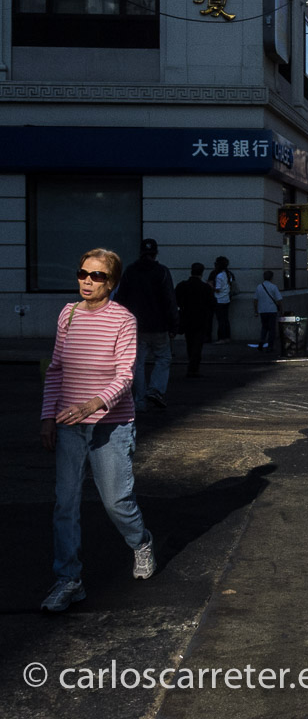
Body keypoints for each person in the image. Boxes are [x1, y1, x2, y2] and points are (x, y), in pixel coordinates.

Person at [40, 249, 155, 613]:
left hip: (111, 424)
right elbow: (56, 369)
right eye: (83, 274)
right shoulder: (68, 314)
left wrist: (91, 406)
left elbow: (125, 376)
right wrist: (48, 416)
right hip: (69, 426)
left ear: (113, 281)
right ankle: (68, 580)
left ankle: (141, 543)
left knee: (116, 501)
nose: (88, 281)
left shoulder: (123, 319)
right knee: (65, 504)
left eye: (98, 276)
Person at [118, 239, 177, 413]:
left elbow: (121, 299)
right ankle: (156, 390)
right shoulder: (162, 272)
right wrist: (174, 325)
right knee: (163, 358)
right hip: (159, 324)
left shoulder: (130, 271)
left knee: (138, 362)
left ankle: (140, 399)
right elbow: (169, 300)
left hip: (136, 325)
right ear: (155, 253)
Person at [175, 262, 213, 378]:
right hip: (200, 319)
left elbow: (175, 300)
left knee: (190, 342)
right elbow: (211, 304)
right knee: (197, 344)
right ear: (202, 272)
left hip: (186, 317)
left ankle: (192, 364)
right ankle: (193, 367)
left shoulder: (183, 285)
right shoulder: (205, 288)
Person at [254, 270, 283, 354]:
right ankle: (270, 346)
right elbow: (279, 300)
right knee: (272, 329)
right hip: (272, 310)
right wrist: (281, 310)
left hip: (262, 310)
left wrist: (256, 311)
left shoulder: (259, 287)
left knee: (264, 327)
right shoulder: (273, 287)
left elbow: (255, 300)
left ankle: (261, 342)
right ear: (271, 277)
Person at [210, 256, 235, 341]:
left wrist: (210, 285)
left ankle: (221, 338)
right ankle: (227, 337)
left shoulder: (219, 276)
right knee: (225, 319)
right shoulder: (228, 274)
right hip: (226, 298)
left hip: (219, 299)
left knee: (220, 320)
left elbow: (217, 289)